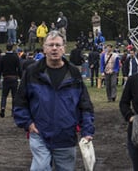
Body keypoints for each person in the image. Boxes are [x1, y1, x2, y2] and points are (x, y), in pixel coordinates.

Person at [13, 30, 94, 170]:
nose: (54, 48)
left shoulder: (74, 73)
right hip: (40, 134)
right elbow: (20, 102)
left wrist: (87, 131)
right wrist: (28, 123)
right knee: (41, 167)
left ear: (64, 48)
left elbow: (85, 105)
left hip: (66, 136)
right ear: (44, 48)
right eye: (50, 45)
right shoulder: (32, 72)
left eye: (58, 45)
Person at [0, 43, 22, 118]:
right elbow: (19, 68)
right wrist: (21, 77)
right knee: (14, 96)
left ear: (6, 48)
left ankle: (3, 108)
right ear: (12, 48)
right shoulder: (15, 57)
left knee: (4, 95)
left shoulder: (3, 58)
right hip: (14, 78)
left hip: (6, 78)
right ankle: (13, 111)